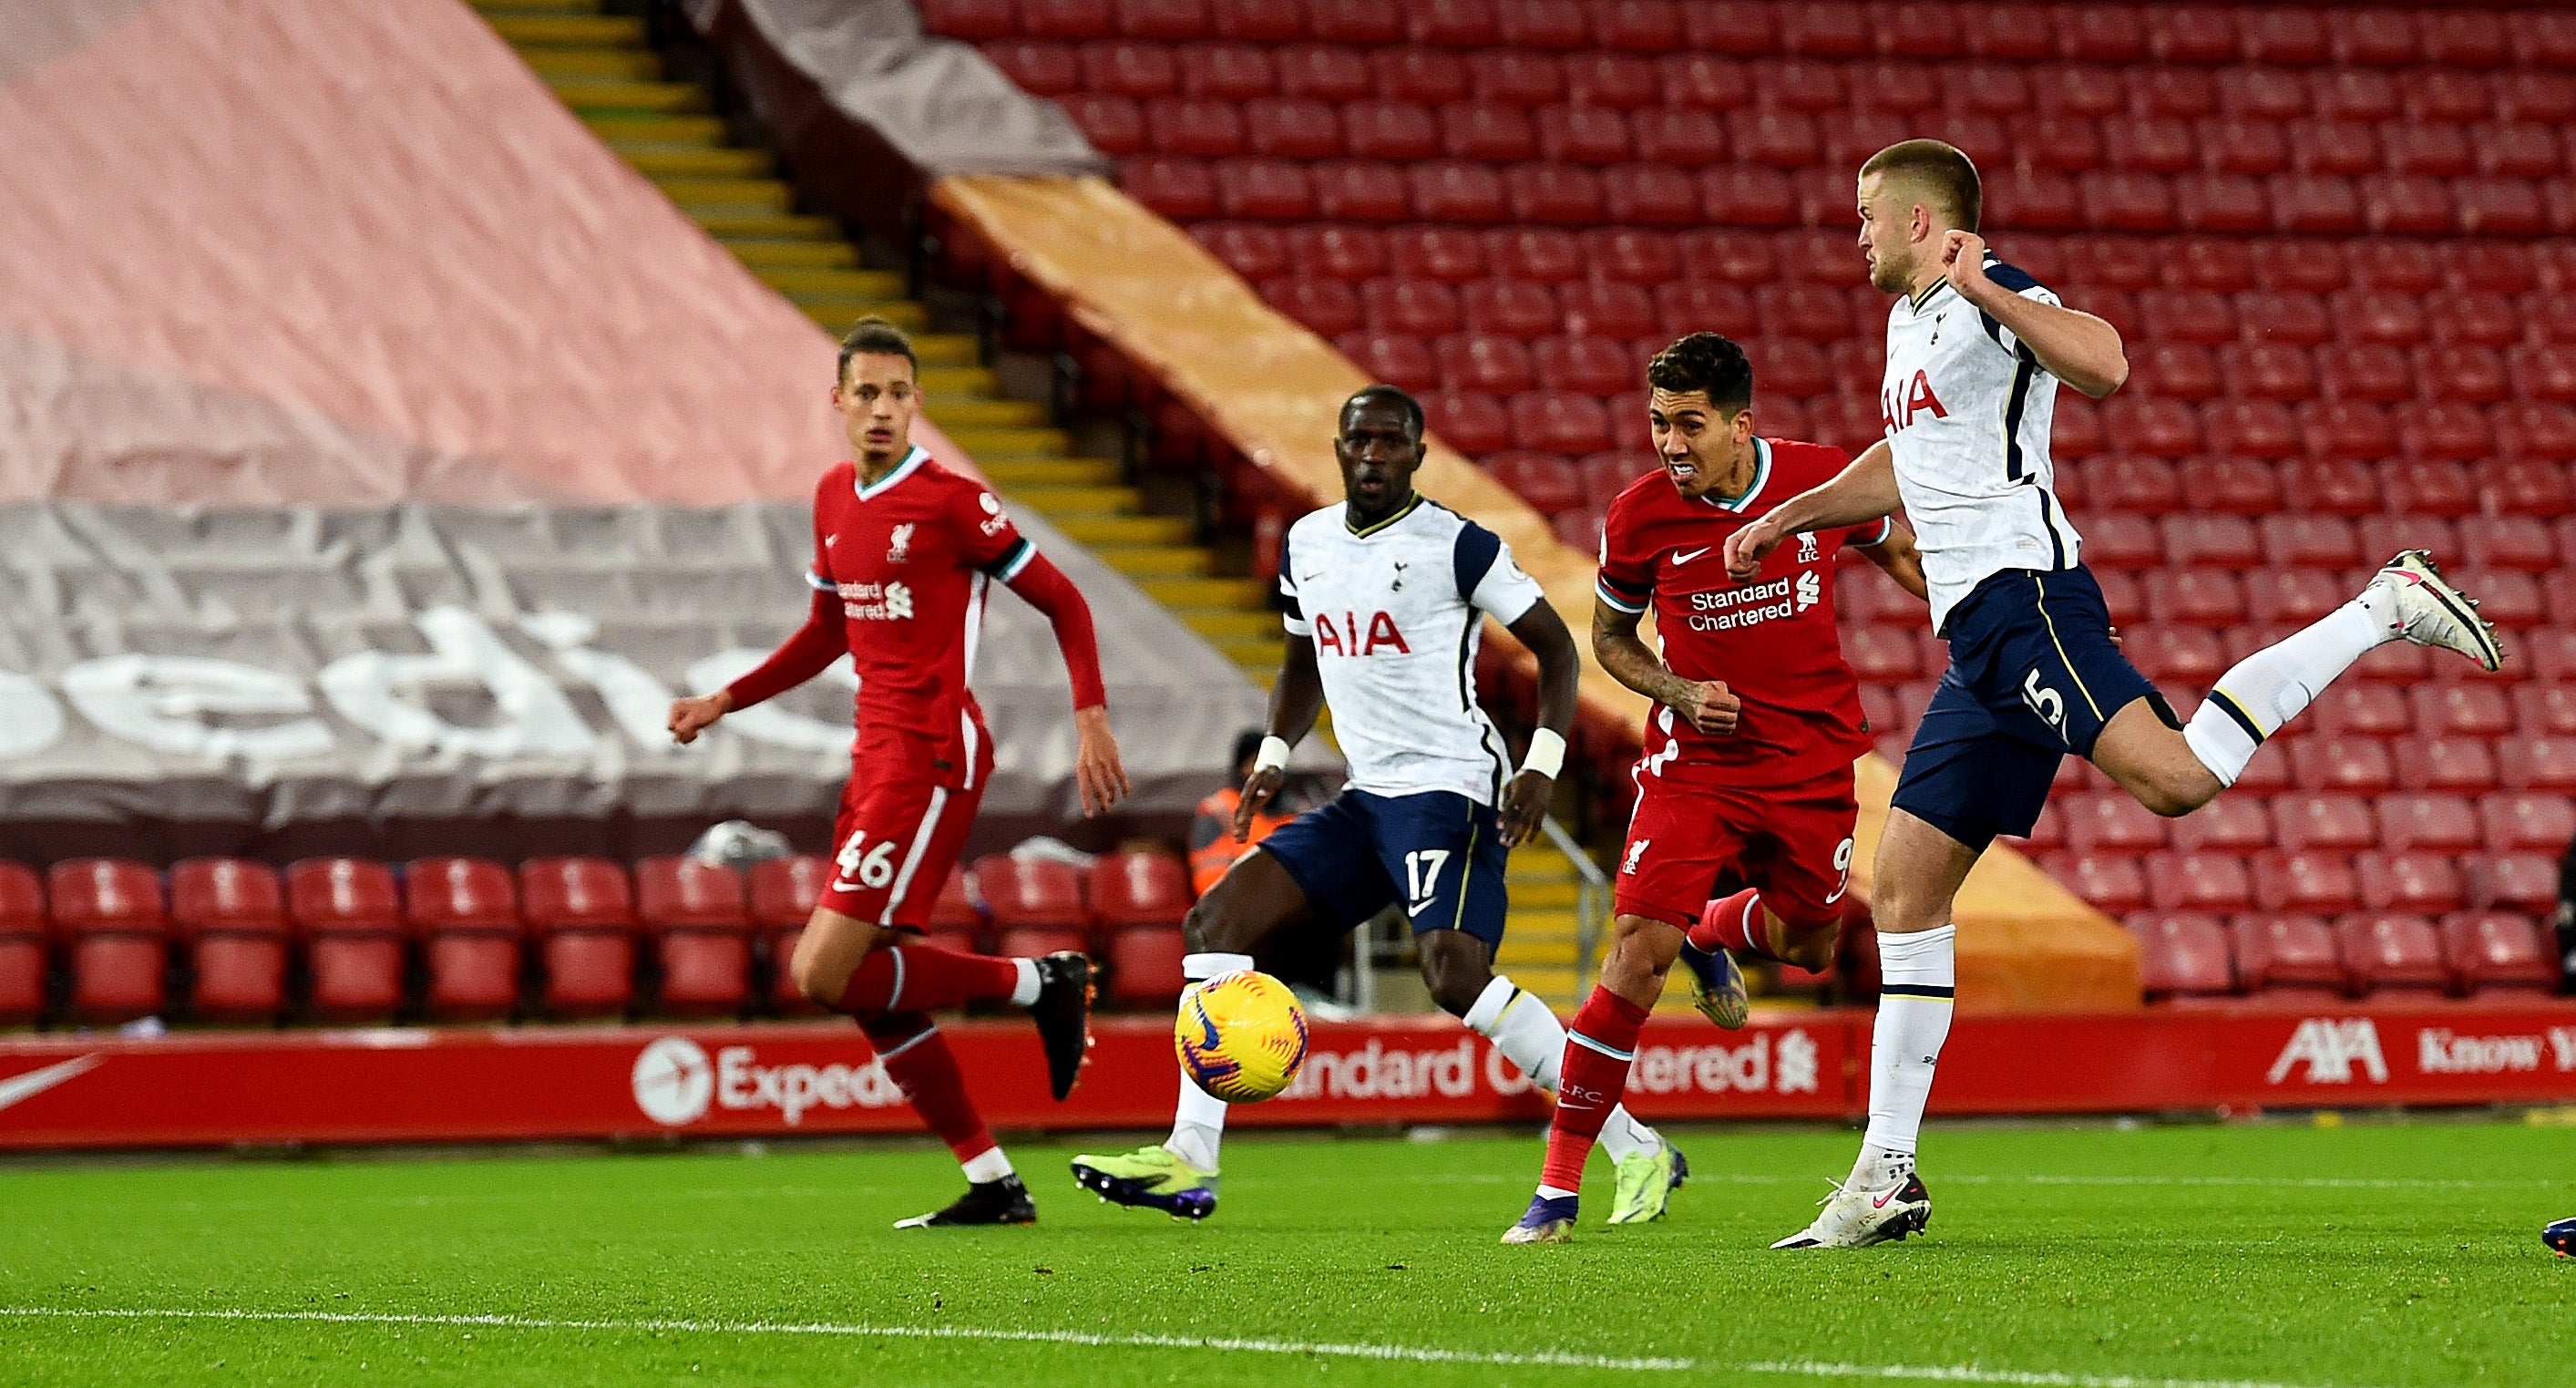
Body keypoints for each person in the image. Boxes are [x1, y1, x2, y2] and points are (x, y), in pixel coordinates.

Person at [1722, 140, 2504, 1249]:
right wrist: (1783, 516)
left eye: (1863, 214)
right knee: (1899, 892)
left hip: (2024, 598)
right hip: (1977, 643)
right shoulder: (1906, 325)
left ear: (1914, 220)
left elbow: (2104, 363)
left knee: (2177, 779)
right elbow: (1903, 459)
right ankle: (1883, 1175)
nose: (1851, 233)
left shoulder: (1986, 293)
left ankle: (2380, 605)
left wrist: (1983, 278)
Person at [1071, 385, 1681, 1224]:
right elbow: (1300, 661)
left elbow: (1555, 651)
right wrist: (1276, 755)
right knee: (1214, 928)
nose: (1372, 455)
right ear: (1338, 447)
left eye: (1391, 442)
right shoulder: (1306, 544)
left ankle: (1633, 1144)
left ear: (1418, 455)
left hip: (1450, 785)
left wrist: (1541, 763)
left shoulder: (1458, 546)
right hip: (1366, 796)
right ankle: (1189, 1157)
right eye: (1359, 440)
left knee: (1454, 976)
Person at [667, 317, 1130, 1229]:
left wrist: (1090, 717)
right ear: (836, 402)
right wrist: (727, 697)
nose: (882, 408)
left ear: (918, 402)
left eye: (898, 393)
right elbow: (827, 630)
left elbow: (1063, 599)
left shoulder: (954, 502)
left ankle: (1040, 986)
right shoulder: (833, 495)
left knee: (819, 970)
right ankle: (995, 1180)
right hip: (872, 756)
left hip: (931, 755)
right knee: (858, 976)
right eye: (866, 392)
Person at [1500, 333, 1927, 1245]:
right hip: (1694, 764)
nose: (1669, 444)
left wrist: (1993, 616)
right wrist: (1678, 691)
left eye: (1689, 424)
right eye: (1658, 423)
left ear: (1742, 424)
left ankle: (1710, 926)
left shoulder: (1817, 481)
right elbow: (1611, 642)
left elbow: (1900, 555)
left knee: (1810, 944)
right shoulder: (1638, 517)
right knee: (1630, 954)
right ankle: (1557, 1187)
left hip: (1810, 760)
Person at [1189, 730, 1294, 898]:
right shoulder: (1218, 809)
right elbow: (1208, 879)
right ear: (1240, 767)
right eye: (1256, 763)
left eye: (1273, 766)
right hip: (1237, 911)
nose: (1265, 773)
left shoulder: (1297, 813)